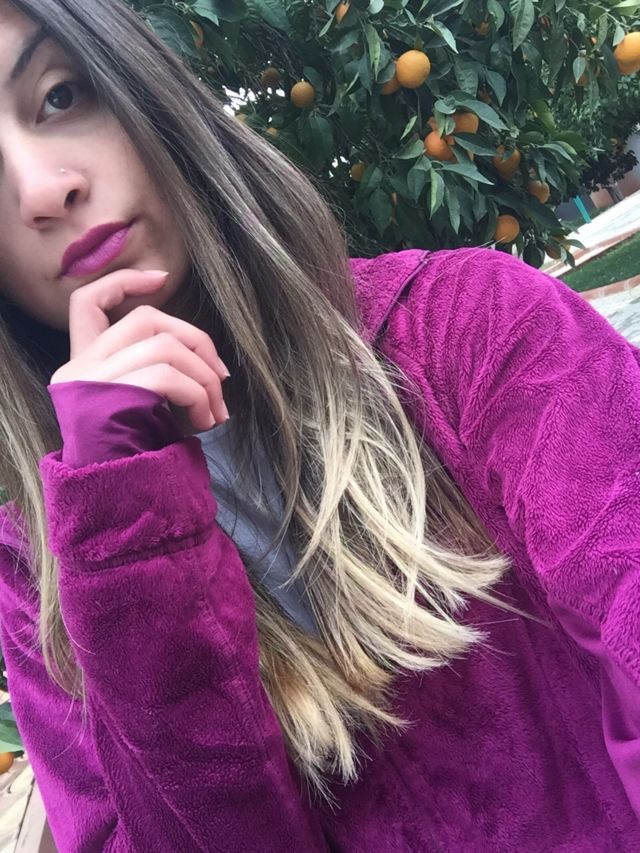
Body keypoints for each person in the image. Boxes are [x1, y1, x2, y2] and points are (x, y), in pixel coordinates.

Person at [0, 0, 638, 850]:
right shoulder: (37, 566)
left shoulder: (469, 326)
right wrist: (122, 523)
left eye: (59, 95)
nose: (44, 190)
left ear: (140, 89)